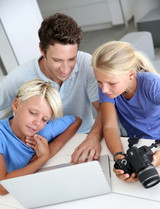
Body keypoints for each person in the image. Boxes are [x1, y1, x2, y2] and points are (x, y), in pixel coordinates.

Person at [0, 13, 103, 163]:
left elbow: (103, 108)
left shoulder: (86, 62)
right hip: (39, 149)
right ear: (42, 49)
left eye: (71, 59)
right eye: (57, 60)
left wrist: (93, 136)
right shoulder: (19, 77)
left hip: (85, 136)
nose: (65, 69)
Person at [91, 40, 160, 183]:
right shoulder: (106, 86)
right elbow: (110, 126)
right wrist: (119, 157)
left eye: (111, 83)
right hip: (136, 145)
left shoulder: (152, 84)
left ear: (131, 74)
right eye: (99, 82)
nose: (104, 89)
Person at [0, 79, 81, 195]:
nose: (37, 123)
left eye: (45, 119)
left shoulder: (43, 132)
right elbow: (2, 188)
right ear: (16, 105)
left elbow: (76, 120)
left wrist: (54, 146)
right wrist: (42, 158)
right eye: (32, 113)